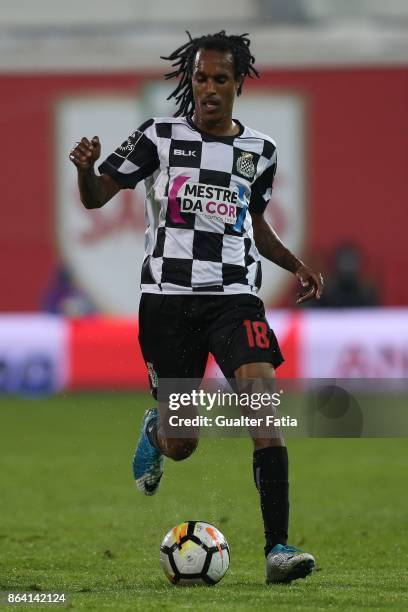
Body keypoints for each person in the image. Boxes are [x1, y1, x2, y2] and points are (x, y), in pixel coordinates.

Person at [69, 31, 323, 584]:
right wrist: (85, 171)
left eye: (220, 80)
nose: (208, 89)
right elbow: (97, 196)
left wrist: (295, 264)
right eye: (200, 78)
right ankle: (157, 431)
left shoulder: (261, 151)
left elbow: (254, 222)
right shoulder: (158, 137)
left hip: (235, 299)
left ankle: (278, 548)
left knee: (263, 413)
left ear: (238, 84)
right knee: (183, 443)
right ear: (191, 81)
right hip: (168, 303)